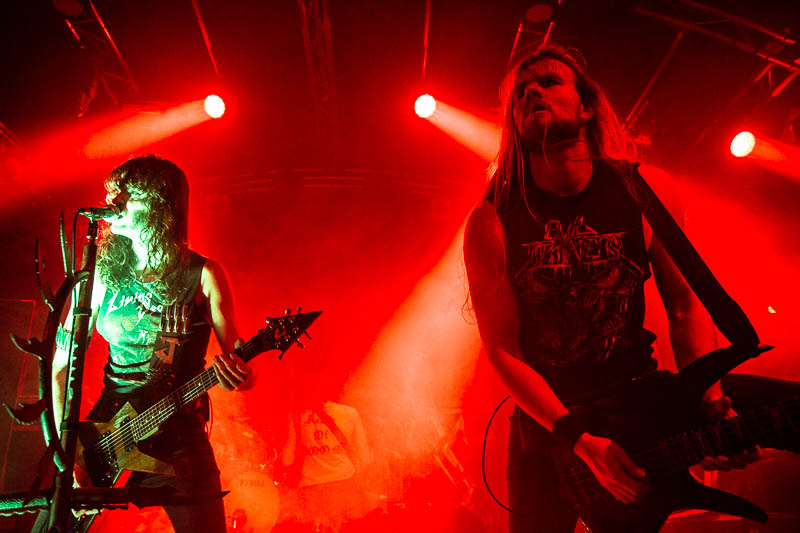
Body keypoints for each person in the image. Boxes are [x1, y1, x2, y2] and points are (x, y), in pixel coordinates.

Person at [462, 42, 789, 532]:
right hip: (549, 423)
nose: (531, 92)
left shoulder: (646, 189)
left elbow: (685, 305)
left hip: (639, 406)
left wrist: (711, 402)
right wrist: (579, 440)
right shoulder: (491, 219)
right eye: (521, 92)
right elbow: (502, 347)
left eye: (548, 82)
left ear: (587, 106)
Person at [44, 154, 253, 532]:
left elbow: (246, 372)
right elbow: (58, 368)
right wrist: (68, 450)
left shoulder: (203, 274)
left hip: (177, 439)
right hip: (105, 436)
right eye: (112, 191)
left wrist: (240, 375)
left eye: (128, 192)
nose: (114, 200)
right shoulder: (99, 277)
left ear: (160, 205)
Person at [277, 389, 372, 533]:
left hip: (311, 490)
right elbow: (364, 457)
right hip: (344, 486)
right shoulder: (350, 413)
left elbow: (287, 461)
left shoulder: (297, 415)